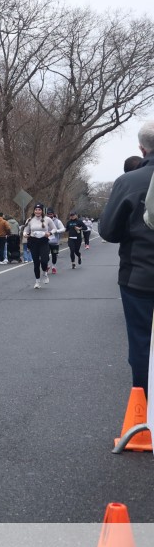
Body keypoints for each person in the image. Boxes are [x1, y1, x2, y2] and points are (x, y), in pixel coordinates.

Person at [100, 121, 154, 397]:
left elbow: (109, 231)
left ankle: (145, 405)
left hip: (140, 276)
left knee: (142, 343)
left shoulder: (128, 182)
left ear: (142, 149)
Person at [22, 203, 57, 289]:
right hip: (33, 242)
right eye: (36, 210)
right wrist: (25, 234)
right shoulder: (30, 220)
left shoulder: (47, 219)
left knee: (44, 261)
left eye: (39, 210)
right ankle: (37, 282)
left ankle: (45, 272)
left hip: (43, 241)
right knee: (36, 263)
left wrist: (50, 233)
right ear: (34, 211)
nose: (37, 211)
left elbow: (54, 229)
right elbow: (25, 230)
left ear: (42, 211)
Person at [45, 207, 65, 272]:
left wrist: (56, 231)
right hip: (46, 241)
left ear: (53, 214)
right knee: (45, 255)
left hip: (55, 242)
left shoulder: (57, 221)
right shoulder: (44, 221)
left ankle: (53, 266)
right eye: (48, 214)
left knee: (54, 255)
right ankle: (47, 265)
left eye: (51, 214)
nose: (49, 215)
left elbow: (63, 229)